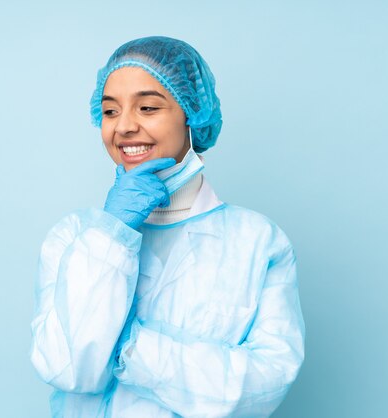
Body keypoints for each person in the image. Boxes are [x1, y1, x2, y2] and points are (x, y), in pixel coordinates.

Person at [30, 36, 305, 418]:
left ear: (192, 116)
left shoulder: (256, 241)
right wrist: (112, 233)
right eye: (110, 112)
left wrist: (126, 347)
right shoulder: (75, 237)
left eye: (147, 107)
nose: (124, 127)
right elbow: (71, 370)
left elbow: (263, 385)